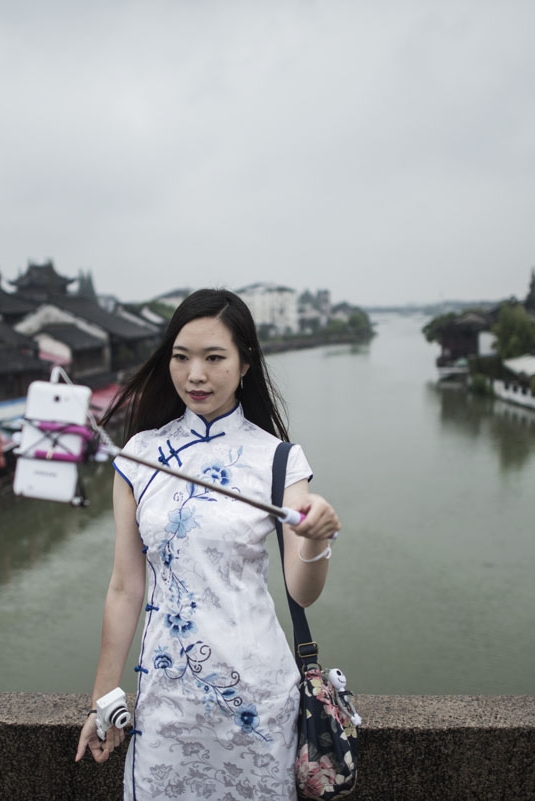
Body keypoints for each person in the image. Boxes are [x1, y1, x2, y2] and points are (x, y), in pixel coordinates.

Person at [73, 289, 341, 799]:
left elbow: (302, 592)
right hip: (165, 705)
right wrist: (103, 698)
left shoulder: (277, 459)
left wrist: (314, 540)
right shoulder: (139, 456)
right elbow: (126, 587)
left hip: (255, 702)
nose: (195, 375)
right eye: (181, 357)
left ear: (245, 365)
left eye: (214, 358)